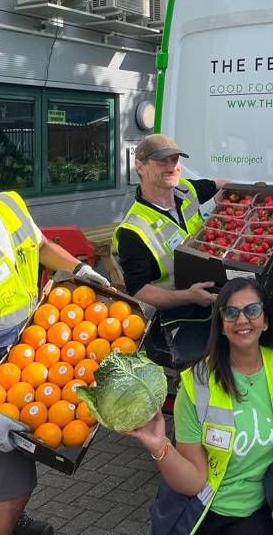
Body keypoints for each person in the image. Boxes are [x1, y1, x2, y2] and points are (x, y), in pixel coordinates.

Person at [0, 129, 109, 535]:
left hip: (33, 343)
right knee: (14, 487)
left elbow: (40, 244)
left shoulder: (10, 205)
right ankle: (7, 517)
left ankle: (14, 521)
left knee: (27, 462)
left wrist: (80, 271)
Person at [123, 276, 273, 534]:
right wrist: (160, 446)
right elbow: (193, 482)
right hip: (208, 512)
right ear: (221, 326)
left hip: (260, 510)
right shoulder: (196, 384)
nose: (242, 320)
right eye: (230, 312)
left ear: (266, 321)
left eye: (252, 310)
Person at [114, 134, 229, 371]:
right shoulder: (133, 230)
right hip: (181, 313)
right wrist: (189, 296)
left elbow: (222, 185)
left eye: (175, 160)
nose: (172, 167)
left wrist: (229, 209)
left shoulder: (187, 190)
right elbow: (139, 290)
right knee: (198, 376)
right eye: (162, 162)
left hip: (220, 299)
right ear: (140, 167)